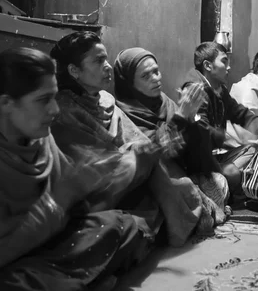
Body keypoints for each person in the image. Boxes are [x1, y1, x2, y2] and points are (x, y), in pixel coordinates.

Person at [0, 48, 155, 290]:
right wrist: (59, 199)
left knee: (124, 225)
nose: (55, 110)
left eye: (54, 97)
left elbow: (71, 209)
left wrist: (108, 176)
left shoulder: (38, 135)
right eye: (43, 100)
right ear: (6, 103)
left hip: (41, 247)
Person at [49, 31, 208, 245]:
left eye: (106, 59)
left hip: (138, 179)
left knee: (190, 183)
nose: (107, 66)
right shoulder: (63, 111)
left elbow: (146, 144)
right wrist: (177, 122)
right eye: (98, 61)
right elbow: (95, 171)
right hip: (103, 193)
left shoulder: (106, 100)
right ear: (74, 70)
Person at [112, 47, 231, 229]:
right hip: (156, 185)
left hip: (183, 173)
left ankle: (198, 206)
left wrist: (192, 121)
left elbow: (194, 154)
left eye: (156, 71)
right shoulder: (122, 114)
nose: (156, 78)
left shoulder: (165, 102)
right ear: (129, 83)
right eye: (146, 76)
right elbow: (152, 154)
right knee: (192, 205)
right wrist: (181, 117)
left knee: (220, 182)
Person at [180, 42, 258, 191]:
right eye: (224, 61)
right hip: (195, 165)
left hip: (211, 157)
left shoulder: (219, 90)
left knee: (254, 149)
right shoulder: (194, 90)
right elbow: (200, 133)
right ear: (208, 66)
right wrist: (222, 141)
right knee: (232, 173)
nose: (229, 67)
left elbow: (242, 115)